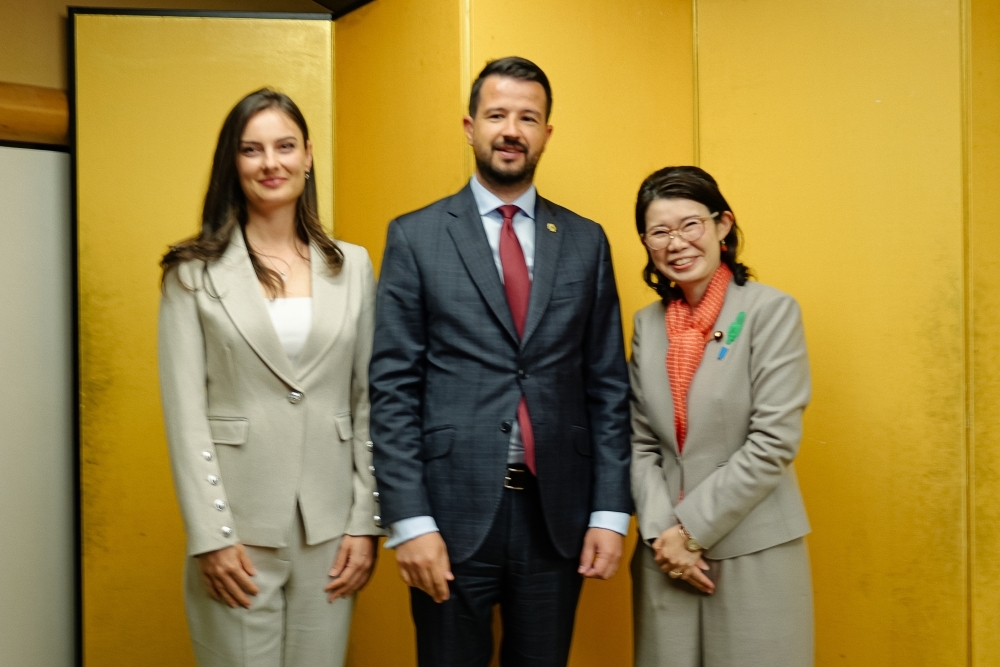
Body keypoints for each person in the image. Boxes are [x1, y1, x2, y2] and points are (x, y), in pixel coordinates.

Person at [368, 57, 632, 667]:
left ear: (546, 133)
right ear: (469, 126)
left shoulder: (587, 241)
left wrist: (611, 511)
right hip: (449, 515)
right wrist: (408, 520)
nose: (511, 129)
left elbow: (607, 387)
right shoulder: (416, 236)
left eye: (527, 117)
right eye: (497, 115)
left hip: (556, 517)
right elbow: (392, 389)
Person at [158, 88, 380, 667]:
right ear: (233, 161)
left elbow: (366, 404)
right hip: (237, 528)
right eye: (252, 150)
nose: (270, 163)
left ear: (308, 155)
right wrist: (211, 534)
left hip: (330, 531)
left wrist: (366, 521)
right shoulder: (191, 274)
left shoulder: (352, 265)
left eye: (285, 147)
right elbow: (185, 417)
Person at [628, 165, 813, 666]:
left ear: (723, 225)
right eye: (659, 231)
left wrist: (690, 533)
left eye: (691, 224)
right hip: (663, 556)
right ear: (646, 242)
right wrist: (665, 537)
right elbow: (640, 442)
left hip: (753, 550)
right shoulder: (646, 325)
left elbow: (772, 442)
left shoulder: (770, 312)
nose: (676, 242)